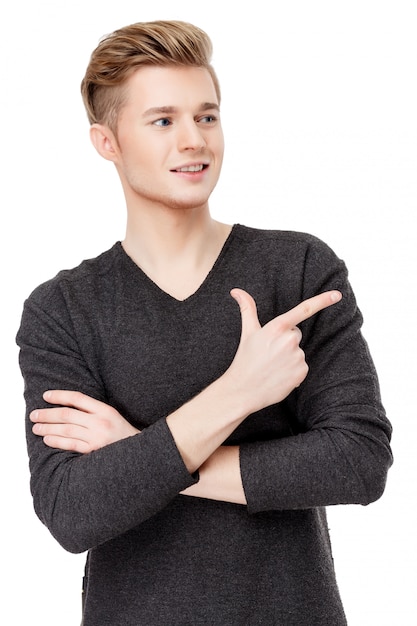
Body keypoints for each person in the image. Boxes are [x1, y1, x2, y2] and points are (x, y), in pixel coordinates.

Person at [16, 20, 393, 626]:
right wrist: (237, 396)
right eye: (163, 121)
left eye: (207, 117)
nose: (194, 140)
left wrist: (139, 453)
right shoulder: (63, 310)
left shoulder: (298, 268)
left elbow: (357, 461)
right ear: (106, 141)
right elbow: (72, 511)